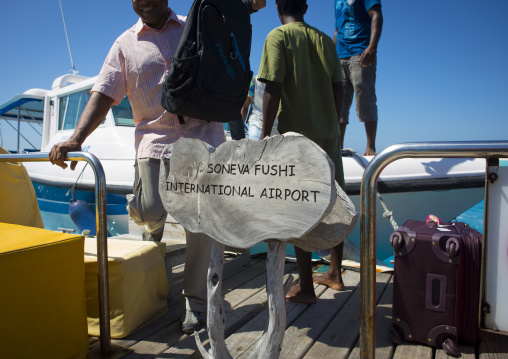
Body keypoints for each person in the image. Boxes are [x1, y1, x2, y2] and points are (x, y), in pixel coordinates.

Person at [49, 0, 266, 334]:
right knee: (151, 211)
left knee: (200, 222)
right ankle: (141, 206)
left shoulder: (193, 24)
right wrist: (76, 138)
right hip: (155, 141)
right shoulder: (124, 44)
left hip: (203, 138)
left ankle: (195, 301)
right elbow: (104, 93)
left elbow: (231, 19)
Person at [259, 0, 346, 304]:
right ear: (306, 6)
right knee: (334, 203)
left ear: (278, 6)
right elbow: (339, 87)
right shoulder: (324, 39)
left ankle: (306, 287)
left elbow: (273, 86)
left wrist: (263, 137)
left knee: (299, 209)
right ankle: (335, 272)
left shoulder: (278, 37)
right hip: (329, 134)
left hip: (297, 137)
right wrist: (333, 122)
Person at [335, 0, 383, 156]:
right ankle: (338, 146)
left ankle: (370, 147)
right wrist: (331, 54)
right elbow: (337, 29)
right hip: (340, 55)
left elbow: (376, 15)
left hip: (361, 52)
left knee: (365, 97)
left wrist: (372, 47)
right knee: (339, 102)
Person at [245, 75, 266, 140]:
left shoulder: (253, 81)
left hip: (276, 128)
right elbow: (245, 107)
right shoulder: (253, 81)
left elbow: (244, 107)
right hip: (256, 123)